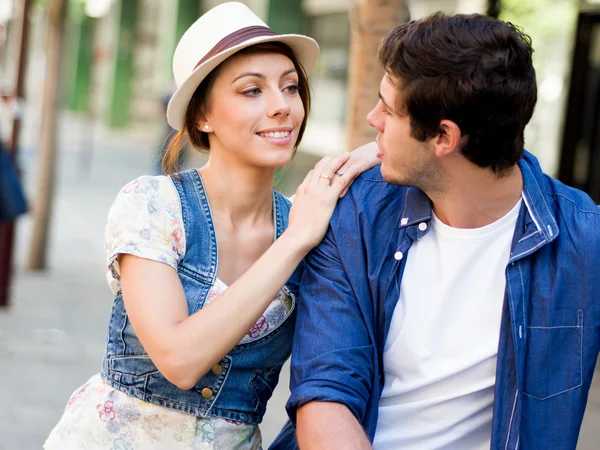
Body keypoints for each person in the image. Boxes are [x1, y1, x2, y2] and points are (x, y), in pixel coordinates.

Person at [44, 3, 379, 449]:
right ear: (203, 116)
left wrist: (366, 154)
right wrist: (296, 240)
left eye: (291, 87)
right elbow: (179, 360)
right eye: (251, 91)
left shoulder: (307, 218)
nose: (282, 107)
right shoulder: (153, 205)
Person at [271, 12, 600, 450]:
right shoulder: (355, 213)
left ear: (444, 137)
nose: (372, 120)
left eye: (388, 110)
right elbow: (324, 395)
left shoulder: (582, 240)